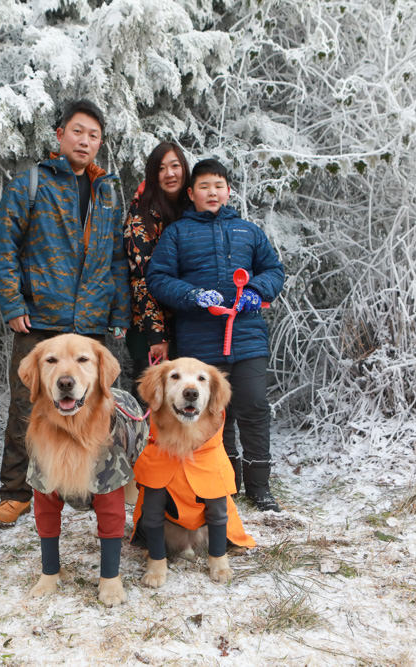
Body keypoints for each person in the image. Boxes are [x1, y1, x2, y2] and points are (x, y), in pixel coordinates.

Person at [0, 99, 130, 527]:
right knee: (28, 406)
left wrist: (118, 311)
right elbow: (5, 246)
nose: (85, 141)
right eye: (78, 132)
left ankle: (83, 483)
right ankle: (16, 492)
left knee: (93, 407)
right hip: (41, 319)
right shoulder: (31, 184)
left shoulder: (107, 191)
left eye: (94, 136)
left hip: (90, 324)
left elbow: (117, 258)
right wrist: (12, 303)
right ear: (60, 135)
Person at [146, 158, 286, 511]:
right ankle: (223, 483)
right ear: (191, 193)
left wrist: (256, 290)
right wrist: (192, 296)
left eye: (218, 186)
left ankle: (260, 485)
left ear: (228, 191)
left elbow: (274, 269)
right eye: (204, 187)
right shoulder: (177, 233)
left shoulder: (248, 231)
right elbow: (159, 278)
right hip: (199, 341)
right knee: (210, 412)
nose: (212, 193)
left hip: (247, 336)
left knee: (253, 405)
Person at [123, 142, 190, 401]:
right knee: (152, 396)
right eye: (161, 168)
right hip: (148, 325)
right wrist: (157, 334)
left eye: (175, 166)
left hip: (187, 323)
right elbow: (142, 279)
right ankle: (142, 442)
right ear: (153, 174)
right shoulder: (142, 215)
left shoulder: (192, 209)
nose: (170, 173)